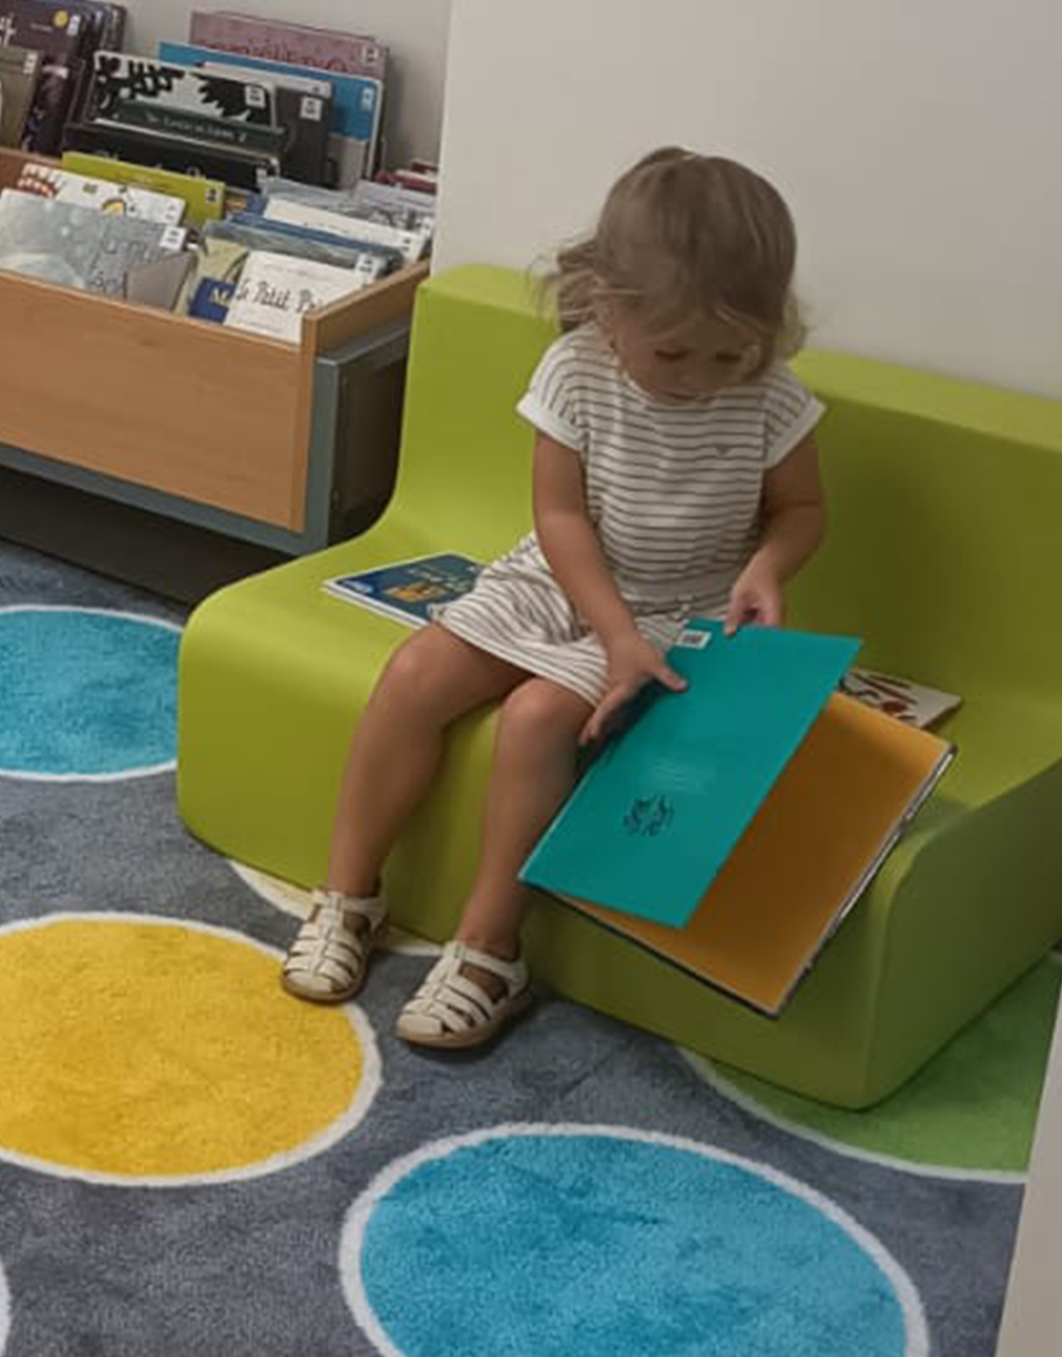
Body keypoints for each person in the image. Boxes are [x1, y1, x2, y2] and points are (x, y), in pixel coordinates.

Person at [284, 148, 827, 1052]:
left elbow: (801, 510)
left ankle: (488, 949)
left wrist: (769, 567)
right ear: (607, 307)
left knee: (539, 720)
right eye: (673, 351)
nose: (698, 374)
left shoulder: (769, 398)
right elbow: (560, 517)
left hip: (679, 613)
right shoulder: (577, 370)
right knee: (414, 673)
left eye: (728, 352)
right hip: (561, 579)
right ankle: (347, 895)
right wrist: (607, 630)